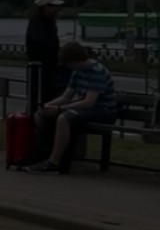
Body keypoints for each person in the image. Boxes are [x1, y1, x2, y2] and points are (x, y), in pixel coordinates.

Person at [23, 41, 119, 174]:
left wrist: (60, 109)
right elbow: (66, 96)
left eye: (68, 64)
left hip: (103, 111)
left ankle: (54, 162)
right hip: (87, 109)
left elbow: (89, 102)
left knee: (64, 118)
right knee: (42, 115)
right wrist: (49, 105)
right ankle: (41, 154)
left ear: (75, 61)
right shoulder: (77, 72)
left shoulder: (97, 72)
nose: (68, 67)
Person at [25, 0, 66, 113]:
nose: (56, 9)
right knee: (39, 93)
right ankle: (36, 114)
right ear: (44, 7)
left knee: (51, 92)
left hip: (51, 64)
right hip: (39, 66)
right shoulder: (37, 21)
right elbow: (40, 40)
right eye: (53, 6)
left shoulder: (51, 21)